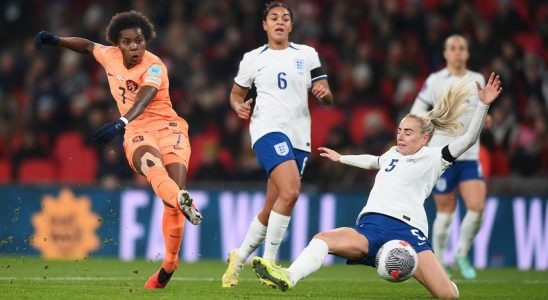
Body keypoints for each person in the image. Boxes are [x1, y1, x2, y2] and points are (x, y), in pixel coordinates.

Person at [251, 73, 502, 298]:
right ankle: (288, 277)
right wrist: (342, 158)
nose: (400, 136)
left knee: (448, 296)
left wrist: (483, 105)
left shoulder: (436, 158)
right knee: (323, 238)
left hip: (408, 233)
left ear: (424, 138)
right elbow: (374, 161)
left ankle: (450, 284)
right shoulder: (392, 153)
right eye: (399, 130)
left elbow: (469, 139)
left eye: (408, 132)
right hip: (370, 227)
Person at [34, 11, 203, 289]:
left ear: (145, 41)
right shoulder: (108, 55)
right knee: (152, 166)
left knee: (170, 198)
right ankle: (183, 203)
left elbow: (146, 95)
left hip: (169, 127)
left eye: (139, 41)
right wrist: (57, 40)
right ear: (117, 44)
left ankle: (170, 263)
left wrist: (121, 121)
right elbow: (88, 46)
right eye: (127, 42)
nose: (135, 46)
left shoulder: (155, 65)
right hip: (139, 132)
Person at [222, 1, 333, 288]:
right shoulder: (253, 58)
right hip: (267, 130)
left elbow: (328, 94)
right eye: (274, 18)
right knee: (292, 190)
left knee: (273, 205)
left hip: (300, 136)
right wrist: (239, 107)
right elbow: (236, 95)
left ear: (291, 25)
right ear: (265, 25)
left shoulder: (307, 55)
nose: (280, 22)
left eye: (285, 18)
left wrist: (323, 93)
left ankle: (239, 257)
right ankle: (269, 262)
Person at [410, 34, 486, 279]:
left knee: (477, 207)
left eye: (462, 48)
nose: (457, 52)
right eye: (453, 48)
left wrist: (487, 117)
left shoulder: (477, 79)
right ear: (445, 53)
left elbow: (482, 110)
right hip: (443, 154)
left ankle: (462, 253)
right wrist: (434, 120)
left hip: (470, 154)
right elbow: (416, 112)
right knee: (445, 212)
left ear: (467, 53)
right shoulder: (435, 80)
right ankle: (439, 262)